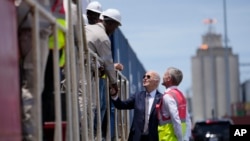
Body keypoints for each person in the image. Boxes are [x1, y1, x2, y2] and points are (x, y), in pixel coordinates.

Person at [111, 71, 162, 141]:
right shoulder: (138, 96)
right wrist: (114, 95)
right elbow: (121, 105)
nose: (145, 78)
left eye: (148, 77)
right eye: (144, 76)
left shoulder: (161, 98)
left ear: (156, 81)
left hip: (153, 137)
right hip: (136, 137)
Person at [158, 67, 192, 141]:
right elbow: (187, 119)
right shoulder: (180, 95)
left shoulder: (168, 96)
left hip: (169, 137)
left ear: (169, 78)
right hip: (181, 137)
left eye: (164, 75)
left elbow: (175, 118)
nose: (162, 77)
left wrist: (180, 138)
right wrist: (186, 137)